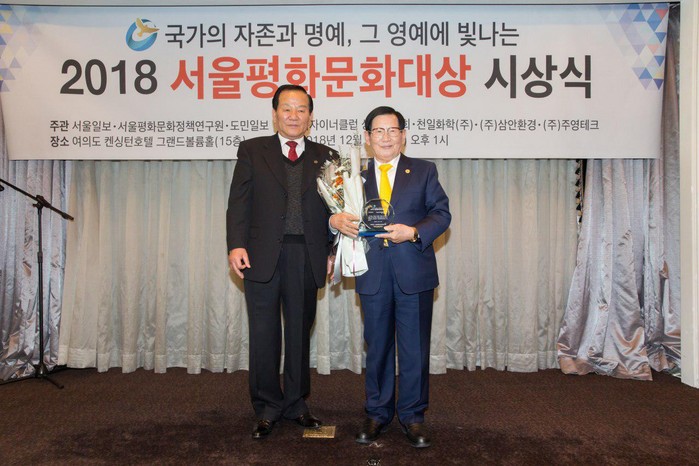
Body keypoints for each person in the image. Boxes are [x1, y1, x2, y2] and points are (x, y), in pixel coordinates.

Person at [227, 84, 352, 439]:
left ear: (310, 117)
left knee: (299, 333)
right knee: (264, 334)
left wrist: (331, 252)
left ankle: (296, 404)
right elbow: (238, 202)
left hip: (306, 255)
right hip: (260, 255)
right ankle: (267, 407)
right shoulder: (252, 150)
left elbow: (335, 209)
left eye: (301, 109)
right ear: (275, 113)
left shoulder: (327, 156)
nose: (294, 115)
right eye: (287, 108)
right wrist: (236, 245)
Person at [331, 106, 451, 448]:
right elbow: (340, 219)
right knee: (378, 347)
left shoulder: (424, 171)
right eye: (378, 131)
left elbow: (441, 214)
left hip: (414, 273)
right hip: (373, 274)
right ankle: (377, 413)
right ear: (367, 138)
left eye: (392, 130)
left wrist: (413, 232)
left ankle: (413, 416)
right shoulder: (353, 177)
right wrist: (334, 224)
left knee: (414, 349)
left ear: (403, 135)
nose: (386, 137)